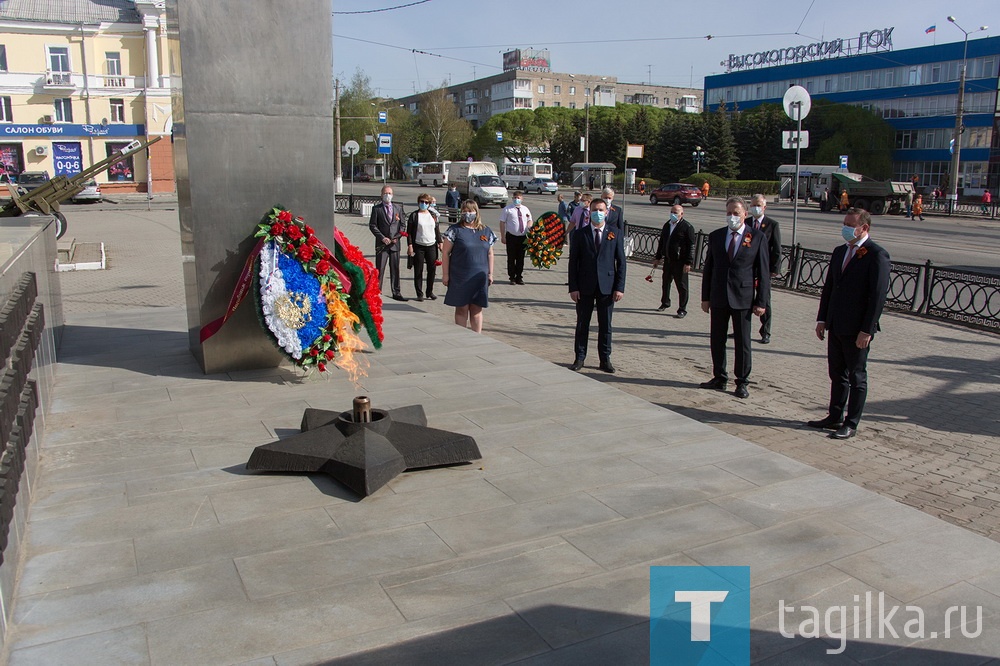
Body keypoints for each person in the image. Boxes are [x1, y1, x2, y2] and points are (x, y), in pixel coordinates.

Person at [808, 208, 890, 440]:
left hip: (857, 329)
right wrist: (822, 318)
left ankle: (851, 422)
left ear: (864, 228)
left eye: (850, 224)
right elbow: (830, 288)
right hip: (835, 324)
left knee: (856, 376)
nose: (845, 228)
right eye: (844, 223)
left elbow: (877, 297)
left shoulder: (876, 255)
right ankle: (834, 416)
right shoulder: (840, 252)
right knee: (837, 374)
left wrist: (867, 329)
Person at [699, 196, 770, 399]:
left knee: (742, 342)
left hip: (743, 297)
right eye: (729, 213)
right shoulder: (717, 236)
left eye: (736, 213)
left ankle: (742, 381)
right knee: (717, 339)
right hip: (719, 296)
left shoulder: (756, 237)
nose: (732, 217)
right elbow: (709, 269)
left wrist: (761, 301)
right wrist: (706, 297)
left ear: (745, 215)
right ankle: (719, 377)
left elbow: (763, 272)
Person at [568, 199, 627, 373]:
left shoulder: (614, 233)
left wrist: (619, 287)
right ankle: (579, 357)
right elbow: (573, 263)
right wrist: (573, 287)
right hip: (584, 286)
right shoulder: (580, 234)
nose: (598, 213)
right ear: (589, 212)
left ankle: (605, 359)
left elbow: (621, 263)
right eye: (595, 210)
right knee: (582, 324)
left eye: (601, 210)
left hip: (607, 287)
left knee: (605, 325)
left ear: (606, 212)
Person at [441, 201, 496, 333]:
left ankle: (477, 337)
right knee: (462, 309)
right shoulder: (455, 230)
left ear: (476, 212)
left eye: (470, 211)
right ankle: (461, 337)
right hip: (460, 276)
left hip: (479, 277)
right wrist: (446, 274)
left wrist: (490, 273)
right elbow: (445, 253)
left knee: (477, 309)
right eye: (465, 211)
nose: (468, 214)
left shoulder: (486, 231)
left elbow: (490, 253)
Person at [748, 194, 782, 344]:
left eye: (758, 205)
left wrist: (774, 268)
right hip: (747, 268)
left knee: (764, 300)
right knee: (744, 299)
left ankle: (765, 331)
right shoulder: (746, 222)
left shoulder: (772, 224)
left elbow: (776, 249)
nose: (755, 208)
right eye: (753, 205)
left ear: (764, 207)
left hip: (764, 269)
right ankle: (741, 328)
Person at [651, 204, 695, 317]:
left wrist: (688, 262)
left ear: (681, 214)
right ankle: (665, 303)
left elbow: (691, 246)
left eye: (676, 212)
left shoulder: (687, 227)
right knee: (665, 283)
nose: (673, 214)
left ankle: (682, 309)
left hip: (680, 262)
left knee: (682, 286)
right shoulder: (667, 225)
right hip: (668, 260)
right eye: (672, 212)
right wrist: (658, 257)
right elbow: (662, 242)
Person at [369, 184, 407, 301]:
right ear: (381, 195)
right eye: (385, 193)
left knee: (395, 268)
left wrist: (398, 236)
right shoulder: (377, 209)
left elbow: (402, 225)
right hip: (382, 245)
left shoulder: (398, 208)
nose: (387, 195)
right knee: (380, 269)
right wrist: (382, 237)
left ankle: (396, 292)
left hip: (395, 244)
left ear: (392, 195)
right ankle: (377, 292)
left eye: (389, 193)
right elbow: (373, 225)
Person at [406, 192, 443, 302]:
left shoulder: (432, 215)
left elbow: (436, 229)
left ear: (429, 204)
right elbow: (409, 233)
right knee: (418, 270)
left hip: (431, 245)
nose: (423, 204)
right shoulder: (414, 215)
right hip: (419, 246)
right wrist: (410, 245)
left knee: (432, 269)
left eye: (426, 202)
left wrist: (440, 242)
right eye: (422, 202)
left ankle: (429, 291)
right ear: (418, 202)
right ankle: (419, 293)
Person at [498, 191, 533, 285]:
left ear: (522, 199)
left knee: (520, 258)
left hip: (522, 237)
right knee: (511, 258)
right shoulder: (508, 209)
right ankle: (512, 277)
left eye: (519, 198)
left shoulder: (525, 209)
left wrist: (529, 227)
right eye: (515, 197)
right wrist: (503, 236)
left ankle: (519, 277)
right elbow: (502, 222)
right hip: (511, 237)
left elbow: (530, 220)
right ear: (513, 198)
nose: (517, 199)